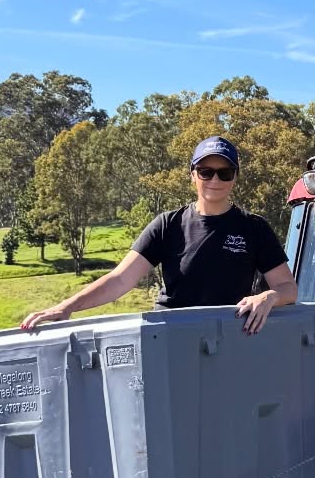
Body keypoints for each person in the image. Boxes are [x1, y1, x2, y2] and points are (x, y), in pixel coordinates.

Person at [19, 136, 297, 333]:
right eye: (206, 171)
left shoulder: (254, 228)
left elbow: (288, 288)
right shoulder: (167, 225)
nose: (215, 180)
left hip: (226, 338)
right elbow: (119, 279)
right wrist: (66, 307)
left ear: (235, 177)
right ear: (192, 175)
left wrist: (269, 297)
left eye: (225, 173)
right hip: (169, 336)